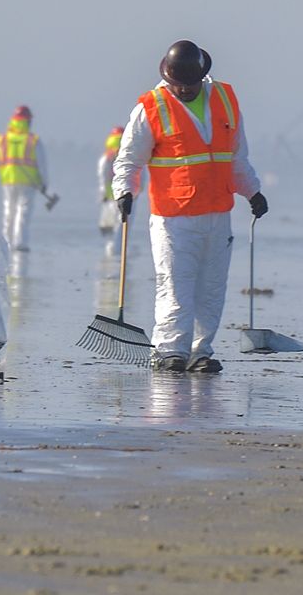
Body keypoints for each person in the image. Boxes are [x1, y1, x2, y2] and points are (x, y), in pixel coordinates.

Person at [112, 40, 267, 373]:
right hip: (173, 218)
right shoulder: (151, 107)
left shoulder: (225, 100)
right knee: (175, 285)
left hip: (217, 213)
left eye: (188, 84)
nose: (182, 90)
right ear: (167, 78)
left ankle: (201, 351)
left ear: (202, 77)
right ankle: (169, 350)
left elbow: (236, 157)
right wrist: (124, 191)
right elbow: (129, 161)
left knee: (211, 288)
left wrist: (252, 191)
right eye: (176, 84)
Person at [0, 105, 50, 255]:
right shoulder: (33, 141)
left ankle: (6, 242)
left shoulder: (2, 140)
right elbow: (42, 164)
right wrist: (44, 184)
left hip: (8, 180)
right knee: (22, 212)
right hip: (28, 183)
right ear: (28, 121)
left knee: (8, 211)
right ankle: (20, 243)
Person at [96, 125, 128, 254]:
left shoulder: (107, 156)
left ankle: (111, 249)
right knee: (121, 224)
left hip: (110, 195)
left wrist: (103, 192)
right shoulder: (128, 153)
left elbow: (102, 175)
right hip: (126, 194)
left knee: (110, 224)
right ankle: (117, 251)